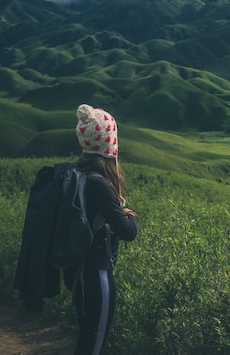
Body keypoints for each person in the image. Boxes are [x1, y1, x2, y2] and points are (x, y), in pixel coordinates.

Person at [64, 104, 140, 355]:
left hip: (78, 271)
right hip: (98, 273)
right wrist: (132, 217)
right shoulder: (100, 184)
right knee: (94, 344)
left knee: (86, 339)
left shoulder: (77, 174)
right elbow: (128, 231)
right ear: (110, 146)